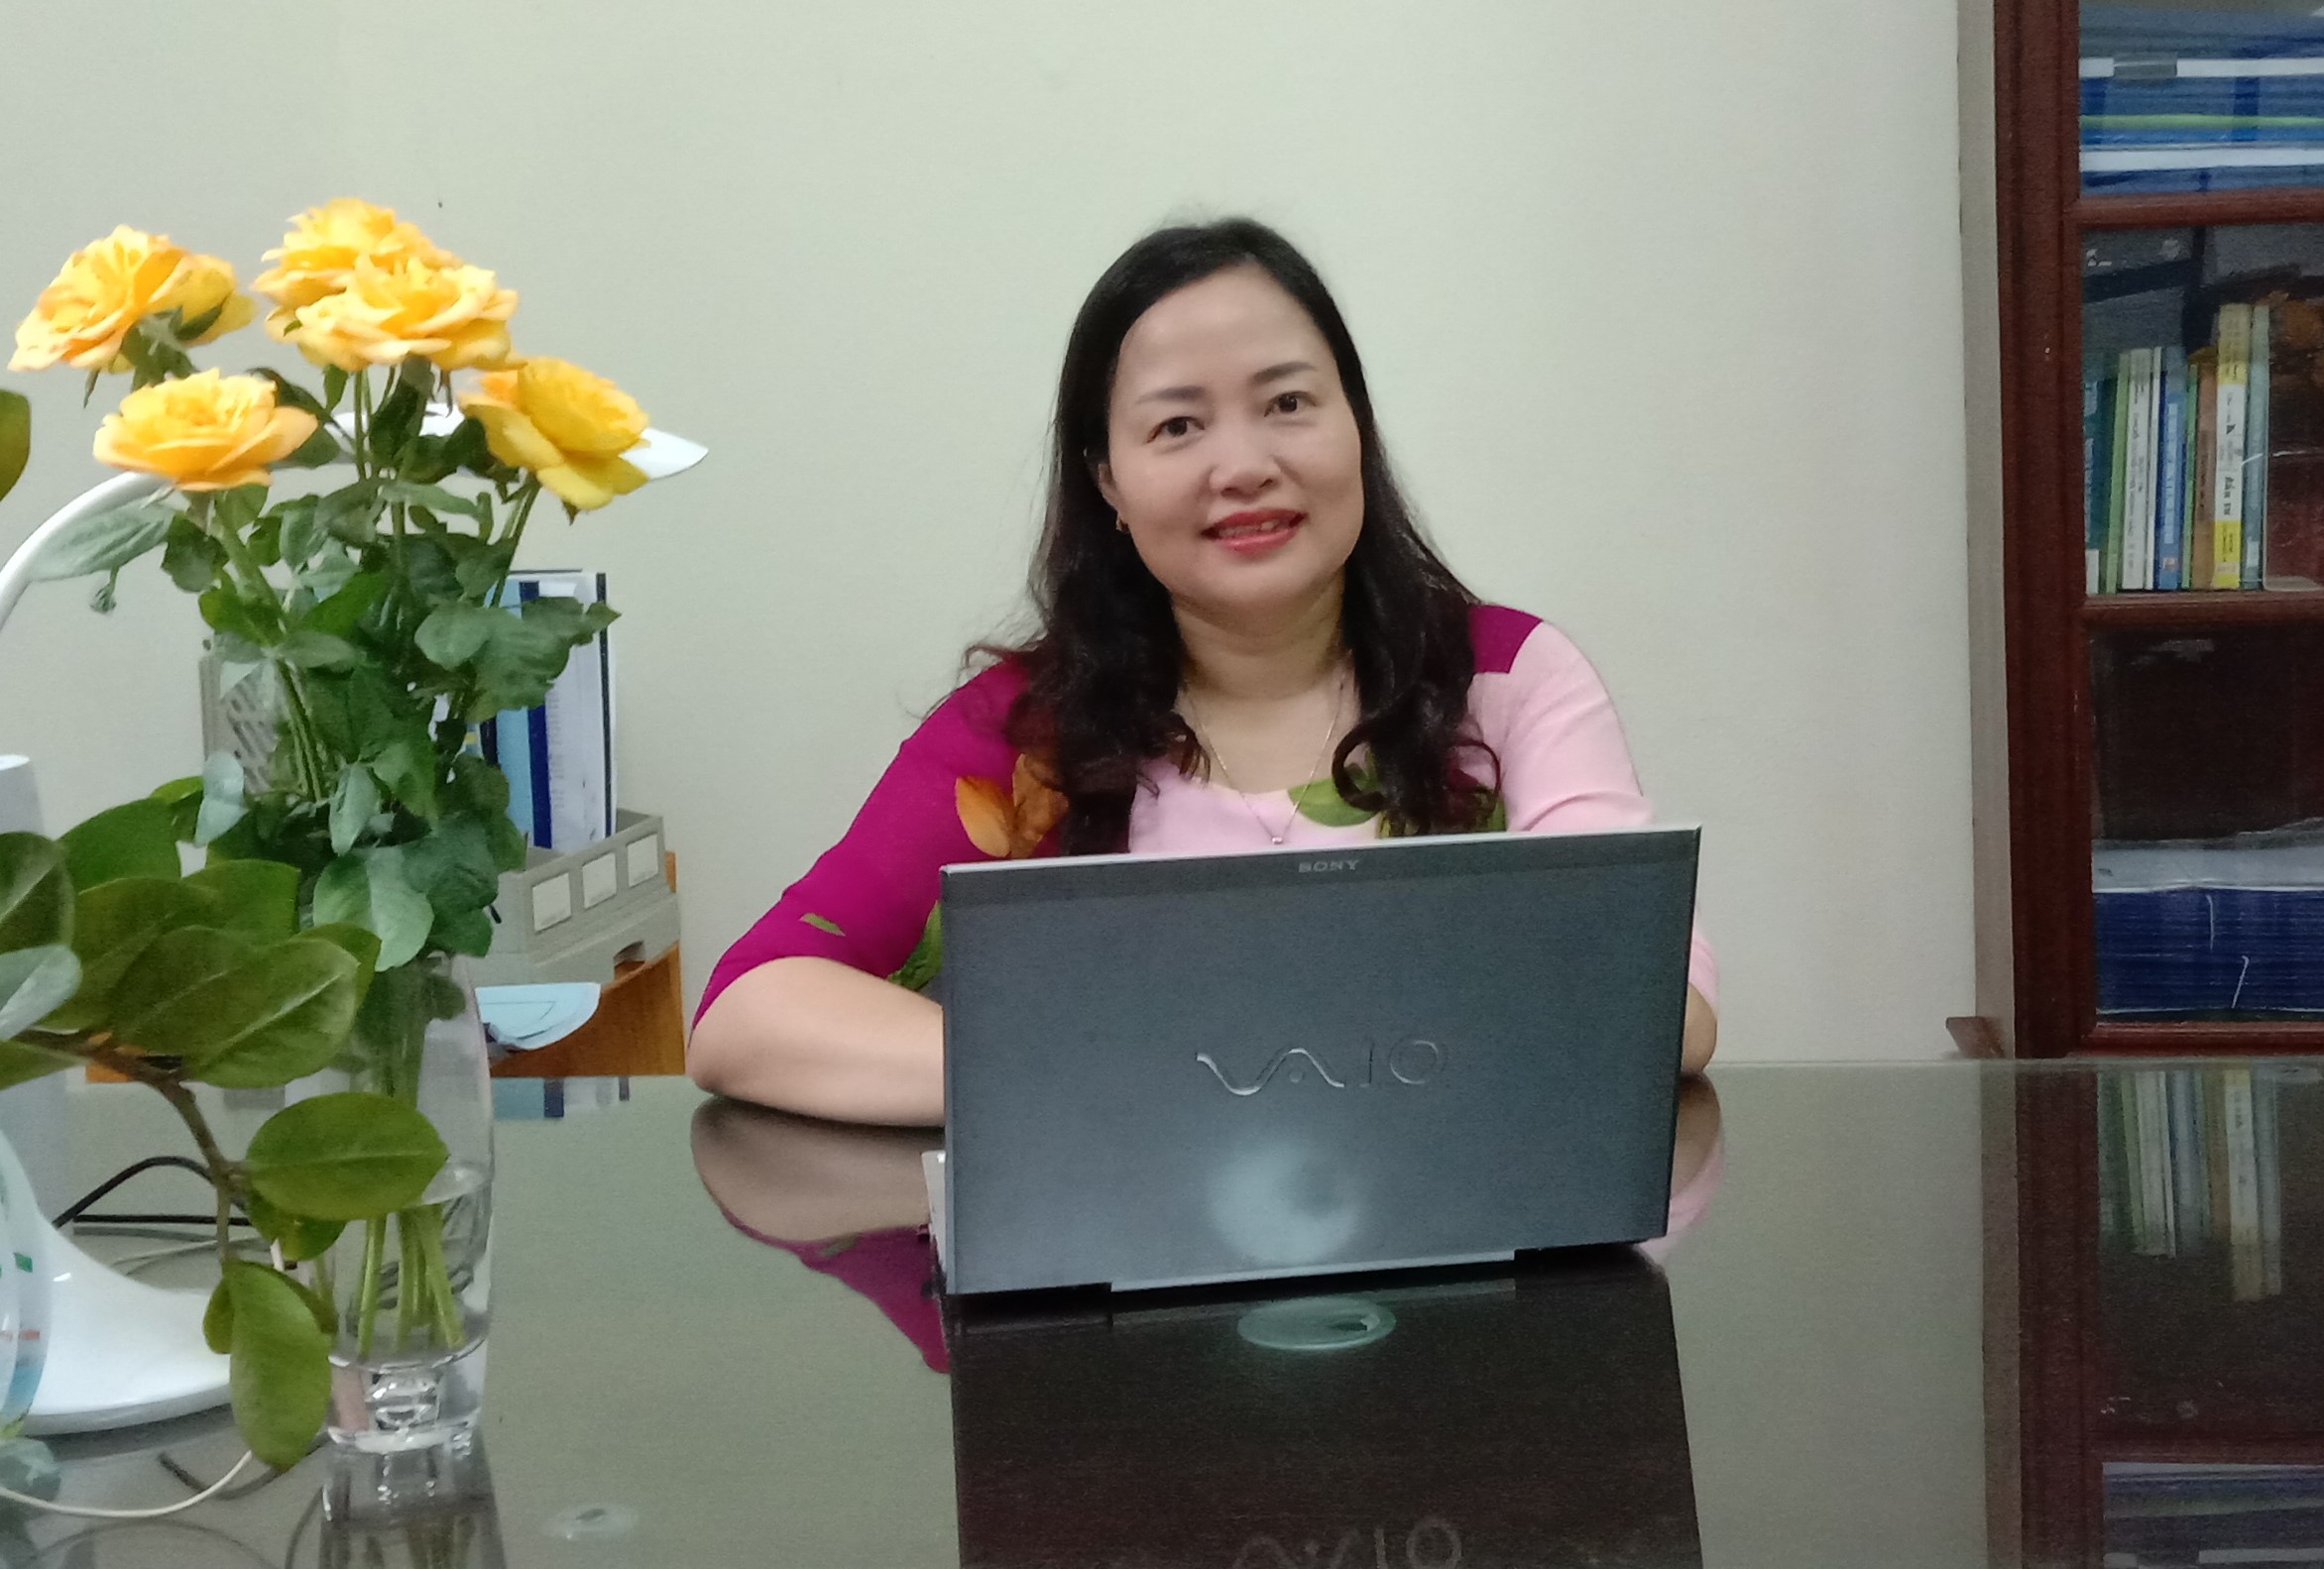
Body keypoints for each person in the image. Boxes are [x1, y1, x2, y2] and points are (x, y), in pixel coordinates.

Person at [689, 218, 1717, 1123]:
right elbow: (748, 1010)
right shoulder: (1026, 737)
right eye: (1177, 425)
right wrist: (1117, 1077)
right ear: (1108, 481)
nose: (1244, 466)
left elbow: (1661, 1004)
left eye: (1287, 402)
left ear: (1356, 426)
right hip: (1114, 1260)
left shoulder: (1506, 681)